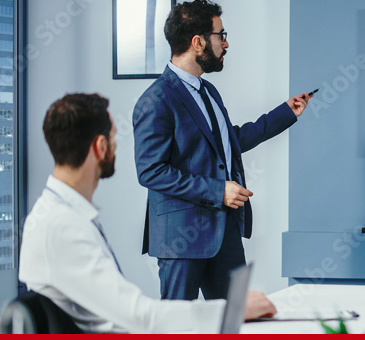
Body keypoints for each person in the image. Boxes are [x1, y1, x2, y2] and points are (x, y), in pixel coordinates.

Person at [19, 94, 277, 333]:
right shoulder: (62, 226)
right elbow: (142, 317)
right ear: (100, 147)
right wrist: (231, 309)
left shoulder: (58, 214)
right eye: (113, 138)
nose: (116, 147)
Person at [133, 0, 312, 301]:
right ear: (198, 42)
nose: (226, 44)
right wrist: (219, 190)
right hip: (181, 242)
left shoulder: (208, 91)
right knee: (180, 328)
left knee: (235, 322)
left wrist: (285, 113)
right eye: (221, 35)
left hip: (223, 233)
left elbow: (230, 142)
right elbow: (152, 171)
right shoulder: (156, 100)